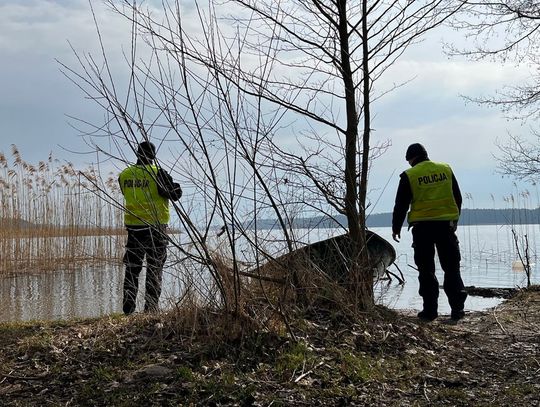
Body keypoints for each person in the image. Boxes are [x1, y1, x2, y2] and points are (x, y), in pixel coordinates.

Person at [392, 143, 467, 321]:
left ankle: (430, 312)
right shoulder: (445, 169)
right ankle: (457, 310)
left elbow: (401, 205)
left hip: (422, 229)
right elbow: (458, 198)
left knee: (426, 270)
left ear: (411, 159)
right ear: (426, 155)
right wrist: (454, 220)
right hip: (445, 227)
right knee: (452, 269)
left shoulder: (410, 175)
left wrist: (396, 227)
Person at [118, 141, 182, 315]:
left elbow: (126, 193)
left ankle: (128, 310)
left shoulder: (125, 174)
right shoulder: (157, 173)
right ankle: (151, 310)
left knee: (132, 269)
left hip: (134, 229)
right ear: (153, 156)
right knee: (154, 269)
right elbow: (175, 194)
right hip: (155, 229)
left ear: (137, 154)